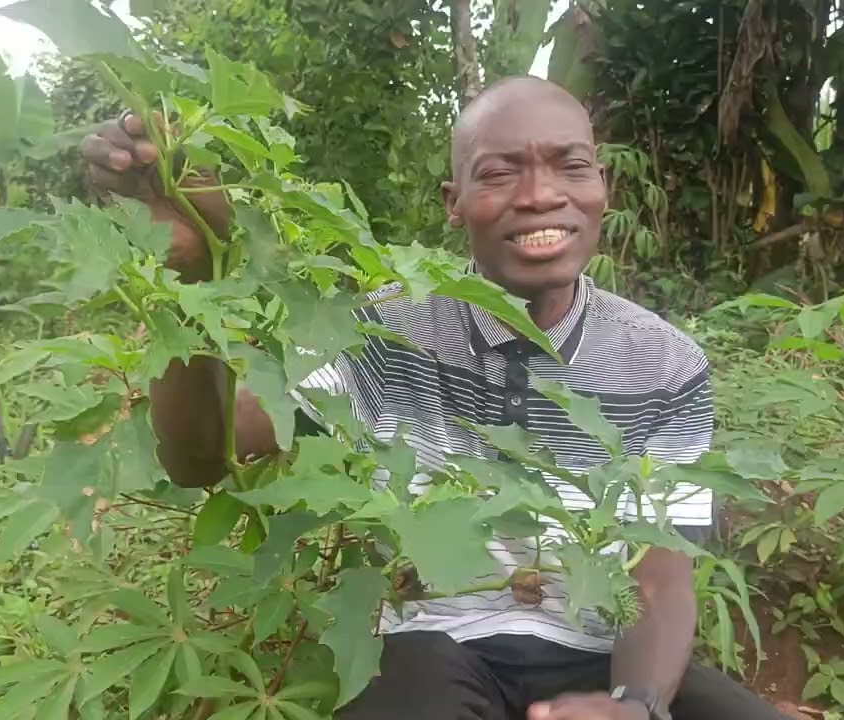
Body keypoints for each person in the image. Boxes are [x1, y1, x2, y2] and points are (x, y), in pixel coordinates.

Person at [81, 76, 786, 720]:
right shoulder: (385, 332)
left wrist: (633, 706)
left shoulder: (663, 361)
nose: (541, 194)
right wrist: (189, 276)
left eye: (570, 166)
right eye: (499, 171)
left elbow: (659, 578)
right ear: (454, 204)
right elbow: (207, 457)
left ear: (603, 186)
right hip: (433, 648)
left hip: (598, 656)